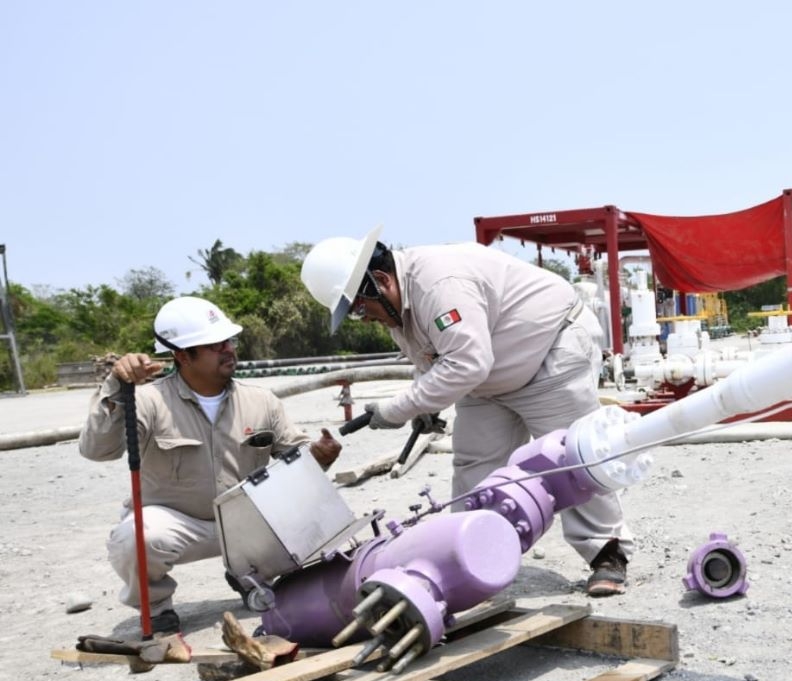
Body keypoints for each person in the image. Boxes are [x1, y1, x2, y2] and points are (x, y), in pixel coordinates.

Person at [301, 226, 634, 596]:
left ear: (380, 280)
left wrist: (394, 410)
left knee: (571, 456)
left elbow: (466, 364)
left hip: (549, 352)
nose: (362, 319)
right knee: (474, 467)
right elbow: (431, 359)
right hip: (489, 375)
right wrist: (426, 405)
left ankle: (607, 553)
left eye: (360, 308)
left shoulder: (438, 283)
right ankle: (470, 560)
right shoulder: (399, 307)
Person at [79, 296, 343, 633]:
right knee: (134, 537)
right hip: (178, 523)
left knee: (315, 515)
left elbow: (297, 456)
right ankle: (156, 607)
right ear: (181, 355)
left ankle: (253, 578)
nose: (228, 349)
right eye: (214, 344)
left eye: (228, 340)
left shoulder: (261, 401)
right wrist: (116, 389)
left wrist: (318, 456)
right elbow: (96, 450)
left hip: (246, 522)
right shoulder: (147, 401)